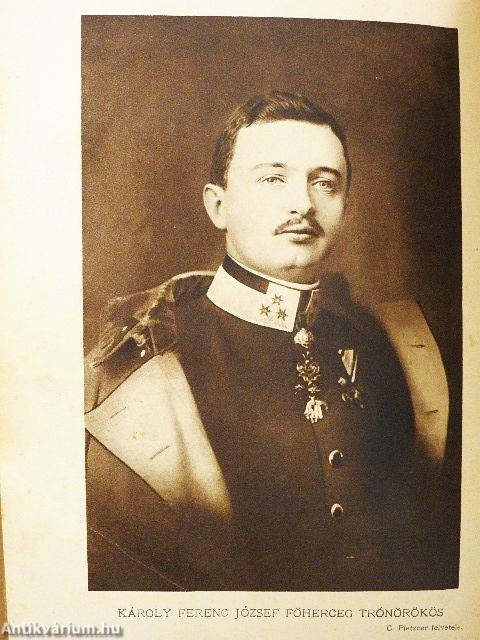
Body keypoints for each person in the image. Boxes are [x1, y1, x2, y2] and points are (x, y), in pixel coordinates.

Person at [84, 91, 450, 591]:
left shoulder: (394, 344)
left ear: (345, 206)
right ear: (218, 205)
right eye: (273, 179)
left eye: (325, 182)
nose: (303, 203)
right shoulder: (145, 364)